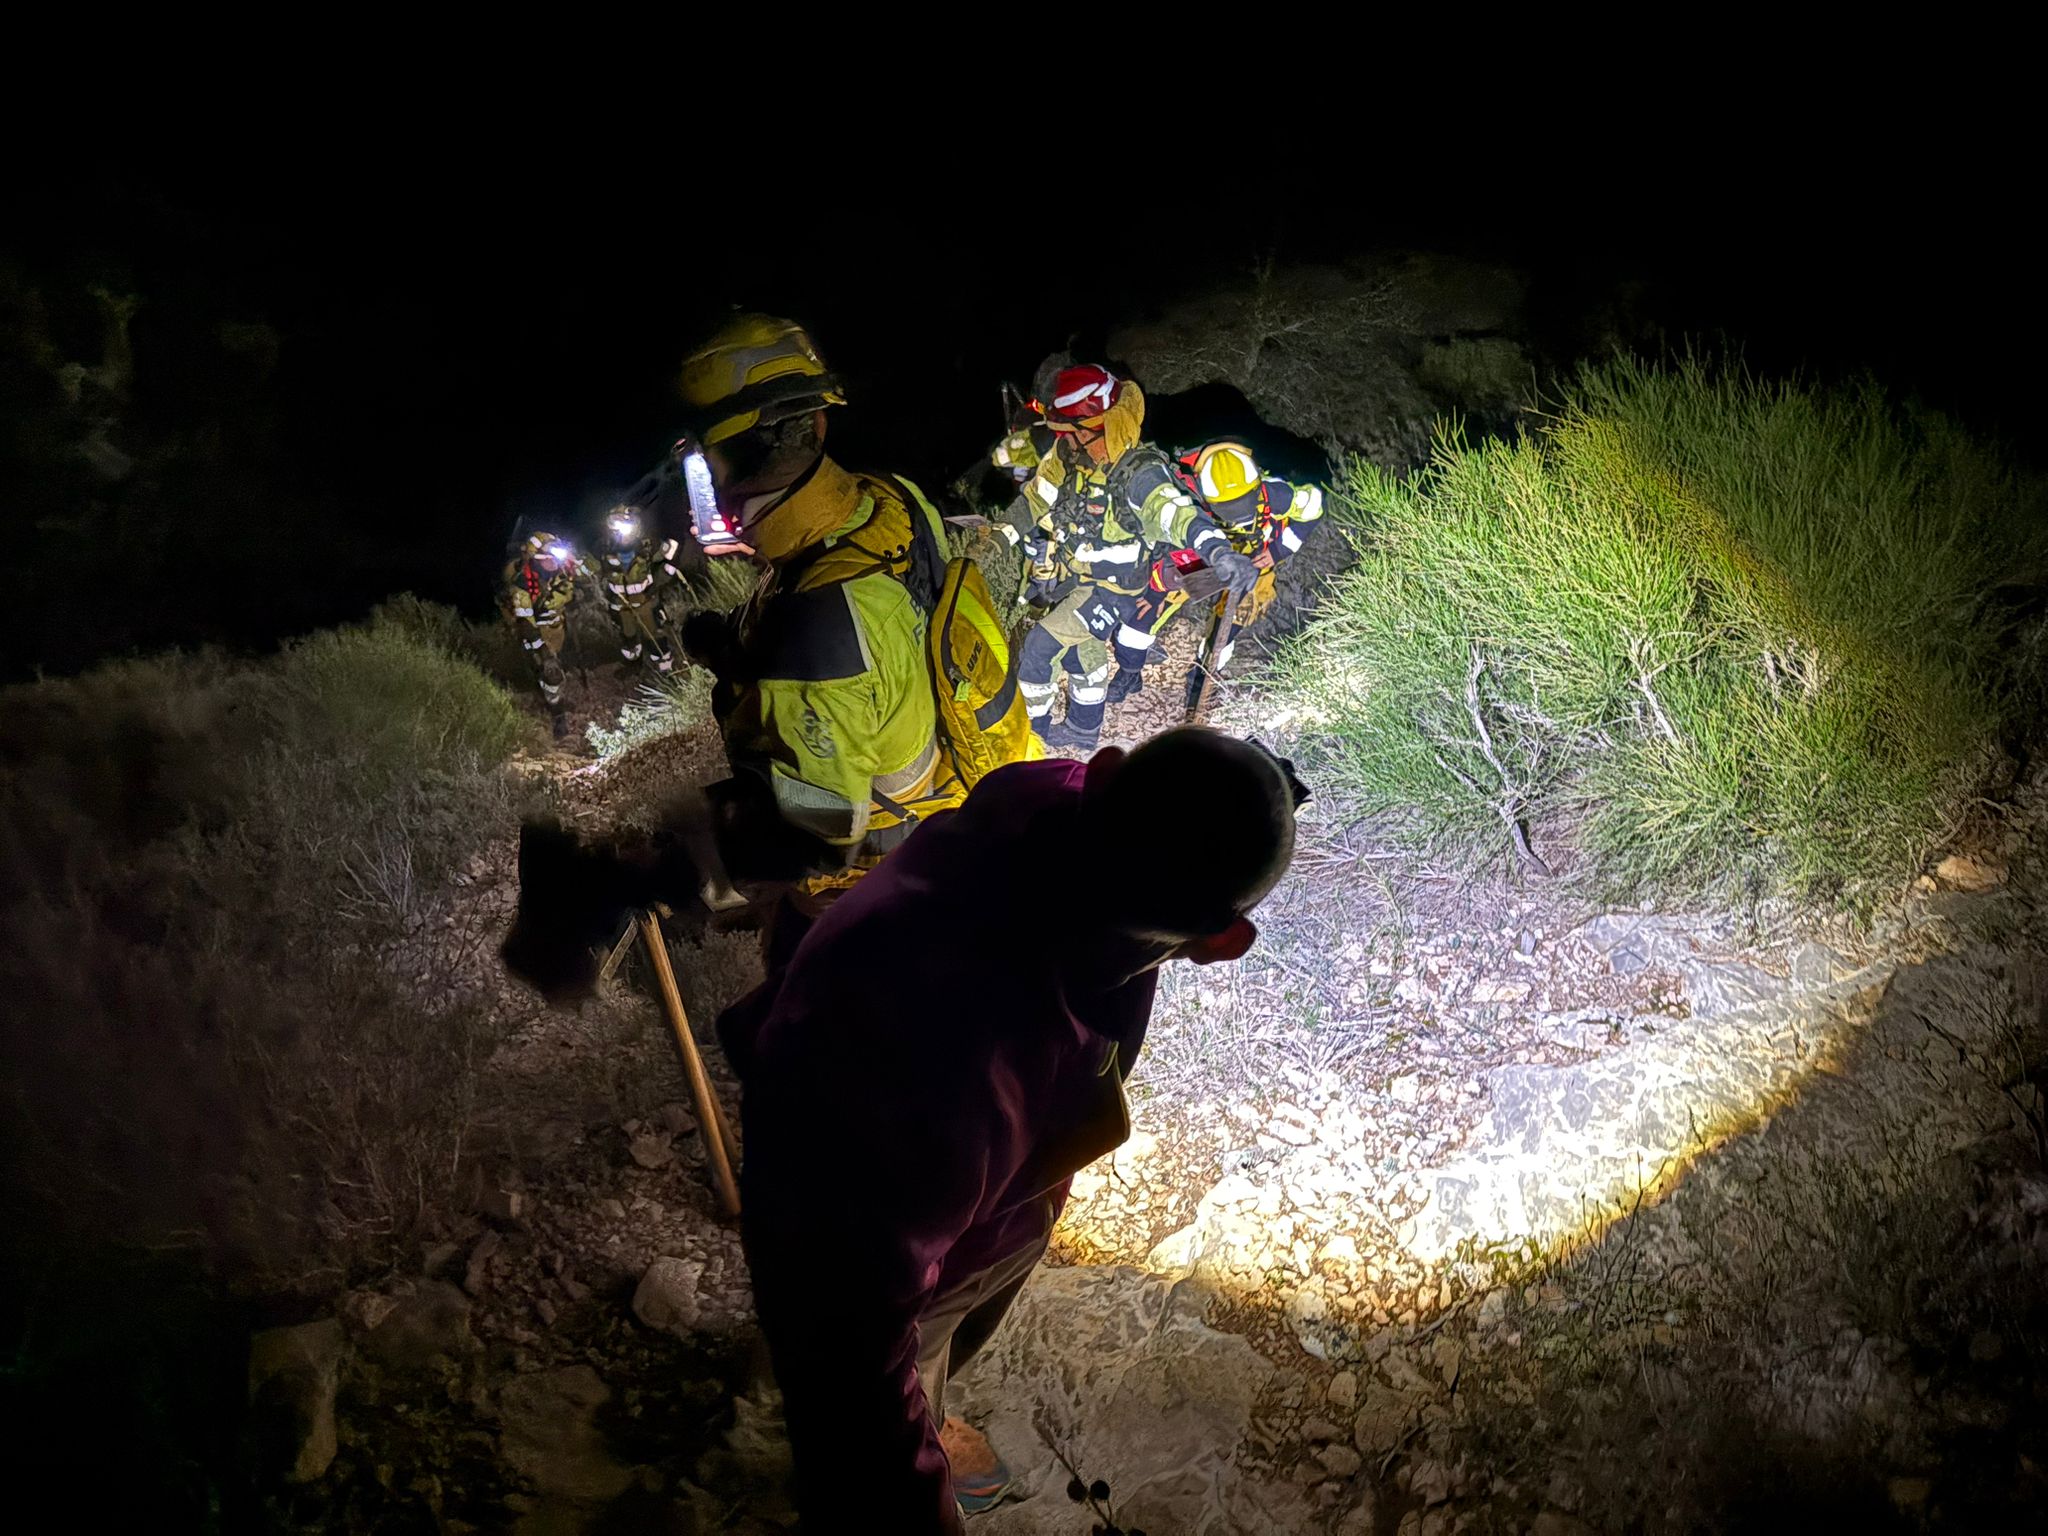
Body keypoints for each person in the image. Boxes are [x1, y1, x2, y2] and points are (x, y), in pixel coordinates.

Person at [719, 727, 1306, 1533]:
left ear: (1098, 773)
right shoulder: (966, 1070)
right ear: (1222, 946)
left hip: (891, 1140)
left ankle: (920, 1408)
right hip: (864, 1194)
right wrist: (908, 1505)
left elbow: (1152, 817)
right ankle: (899, 1438)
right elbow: (856, 1332)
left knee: (929, 1322)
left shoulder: (1037, 797)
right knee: (880, 1370)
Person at [671, 314, 965, 905]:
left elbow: (822, 835)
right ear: (821, 422)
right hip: (943, 792)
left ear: (717, 462)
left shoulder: (816, 631)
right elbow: (879, 646)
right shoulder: (891, 500)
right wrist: (737, 648)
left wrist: (690, 847)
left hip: (883, 862)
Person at [1008, 368, 1256, 749]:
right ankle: (1084, 728)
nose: (1067, 443)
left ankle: (1031, 737)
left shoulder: (1139, 473)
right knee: (1083, 655)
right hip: (1084, 580)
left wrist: (1218, 551)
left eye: (1074, 433)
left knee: (1040, 648)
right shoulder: (1072, 454)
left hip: (1116, 588)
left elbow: (1176, 513)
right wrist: (999, 536)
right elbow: (1037, 497)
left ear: (1104, 425)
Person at [1106, 440, 1328, 705]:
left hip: (1254, 563)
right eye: (1228, 509)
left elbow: (1313, 505)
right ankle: (1129, 671)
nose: (1237, 516)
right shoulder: (1190, 499)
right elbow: (1169, 541)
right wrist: (1164, 583)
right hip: (1207, 559)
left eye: (1244, 503)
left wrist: (1279, 550)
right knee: (1147, 608)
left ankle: (1202, 680)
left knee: (1231, 623)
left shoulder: (1275, 494)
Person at [499, 530, 582, 738]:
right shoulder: (522, 584)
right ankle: (558, 717)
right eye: (548, 559)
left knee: (561, 663)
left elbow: (587, 571)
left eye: (556, 558)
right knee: (550, 674)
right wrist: (544, 653)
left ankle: (552, 693)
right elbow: (525, 623)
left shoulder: (562, 570)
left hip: (558, 629)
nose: (554, 563)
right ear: (536, 560)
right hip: (535, 635)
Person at [596, 503, 685, 673]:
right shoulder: (604, 549)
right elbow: (594, 569)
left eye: (625, 524)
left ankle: (666, 670)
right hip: (621, 605)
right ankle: (633, 664)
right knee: (628, 636)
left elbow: (672, 550)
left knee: (655, 636)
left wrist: (666, 574)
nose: (620, 529)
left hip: (646, 601)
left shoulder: (649, 545)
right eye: (614, 523)